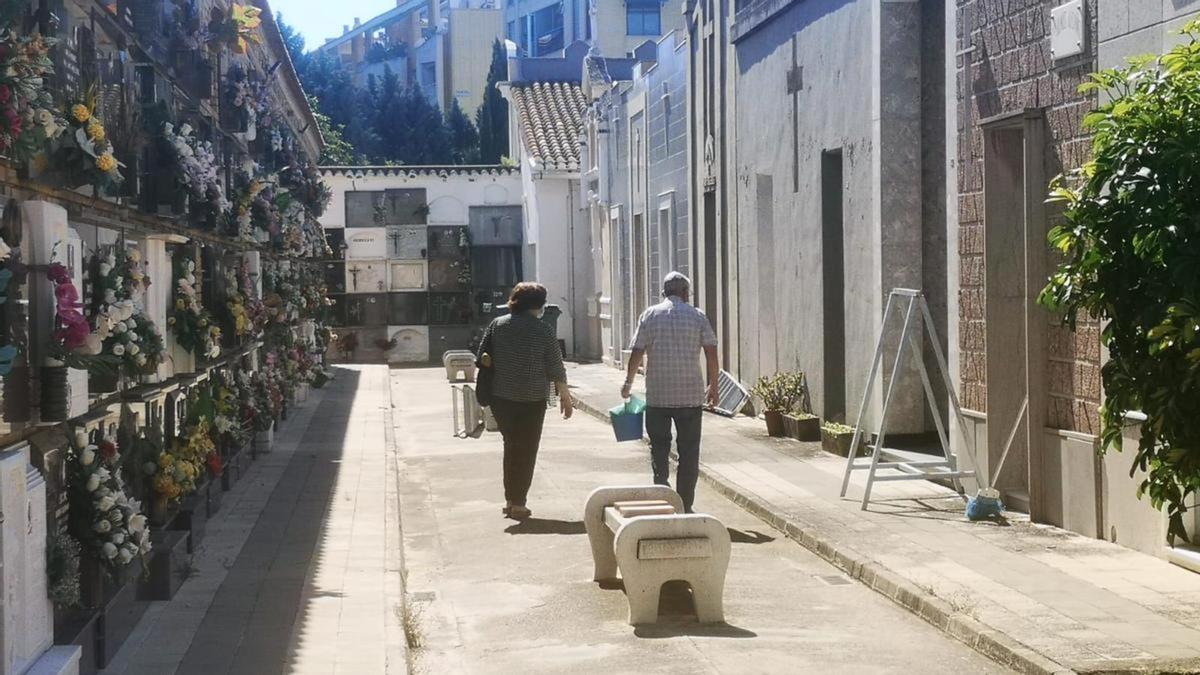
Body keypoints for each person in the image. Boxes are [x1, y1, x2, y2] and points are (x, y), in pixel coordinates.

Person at [621, 272, 719, 513]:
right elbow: (711, 352)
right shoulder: (697, 316)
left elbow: (637, 351)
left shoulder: (650, 315)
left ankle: (663, 499)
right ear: (685, 293)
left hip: (658, 396)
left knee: (659, 448)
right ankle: (685, 505)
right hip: (690, 396)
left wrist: (628, 383)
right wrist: (714, 385)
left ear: (664, 293)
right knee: (688, 451)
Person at [478, 282, 573, 520]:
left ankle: (511, 499)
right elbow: (555, 365)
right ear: (540, 305)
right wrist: (565, 395)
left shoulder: (497, 325)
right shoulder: (543, 330)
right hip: (532, 399)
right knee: (526, 449)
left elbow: (482, 355)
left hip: (501, 397)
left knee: (511, 445)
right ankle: (518, 502)